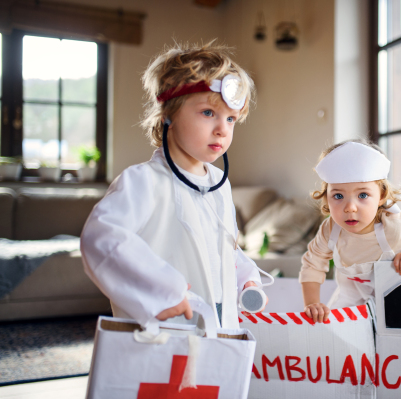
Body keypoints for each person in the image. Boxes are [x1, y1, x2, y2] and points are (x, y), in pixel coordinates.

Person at [80, 41, 264, 333]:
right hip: (164, 329)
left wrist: (247, 277)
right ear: (168, 113)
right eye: (208, 113)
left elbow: (222, 249)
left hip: (219, 326)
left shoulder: (220, 185)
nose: (223, 129)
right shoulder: (143, 181)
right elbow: (102, 239)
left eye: (230, 118)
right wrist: (163, 289)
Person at [300, 139, 401, 323]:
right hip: (351, 297)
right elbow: (313, 264)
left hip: (396, 296)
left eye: (362, 195)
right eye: (338, 196)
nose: (350, 207)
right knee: (333, 330)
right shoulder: (330, 230)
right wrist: (312, 303)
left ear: (381, 196)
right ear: (326, 198)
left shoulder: (394, 227)